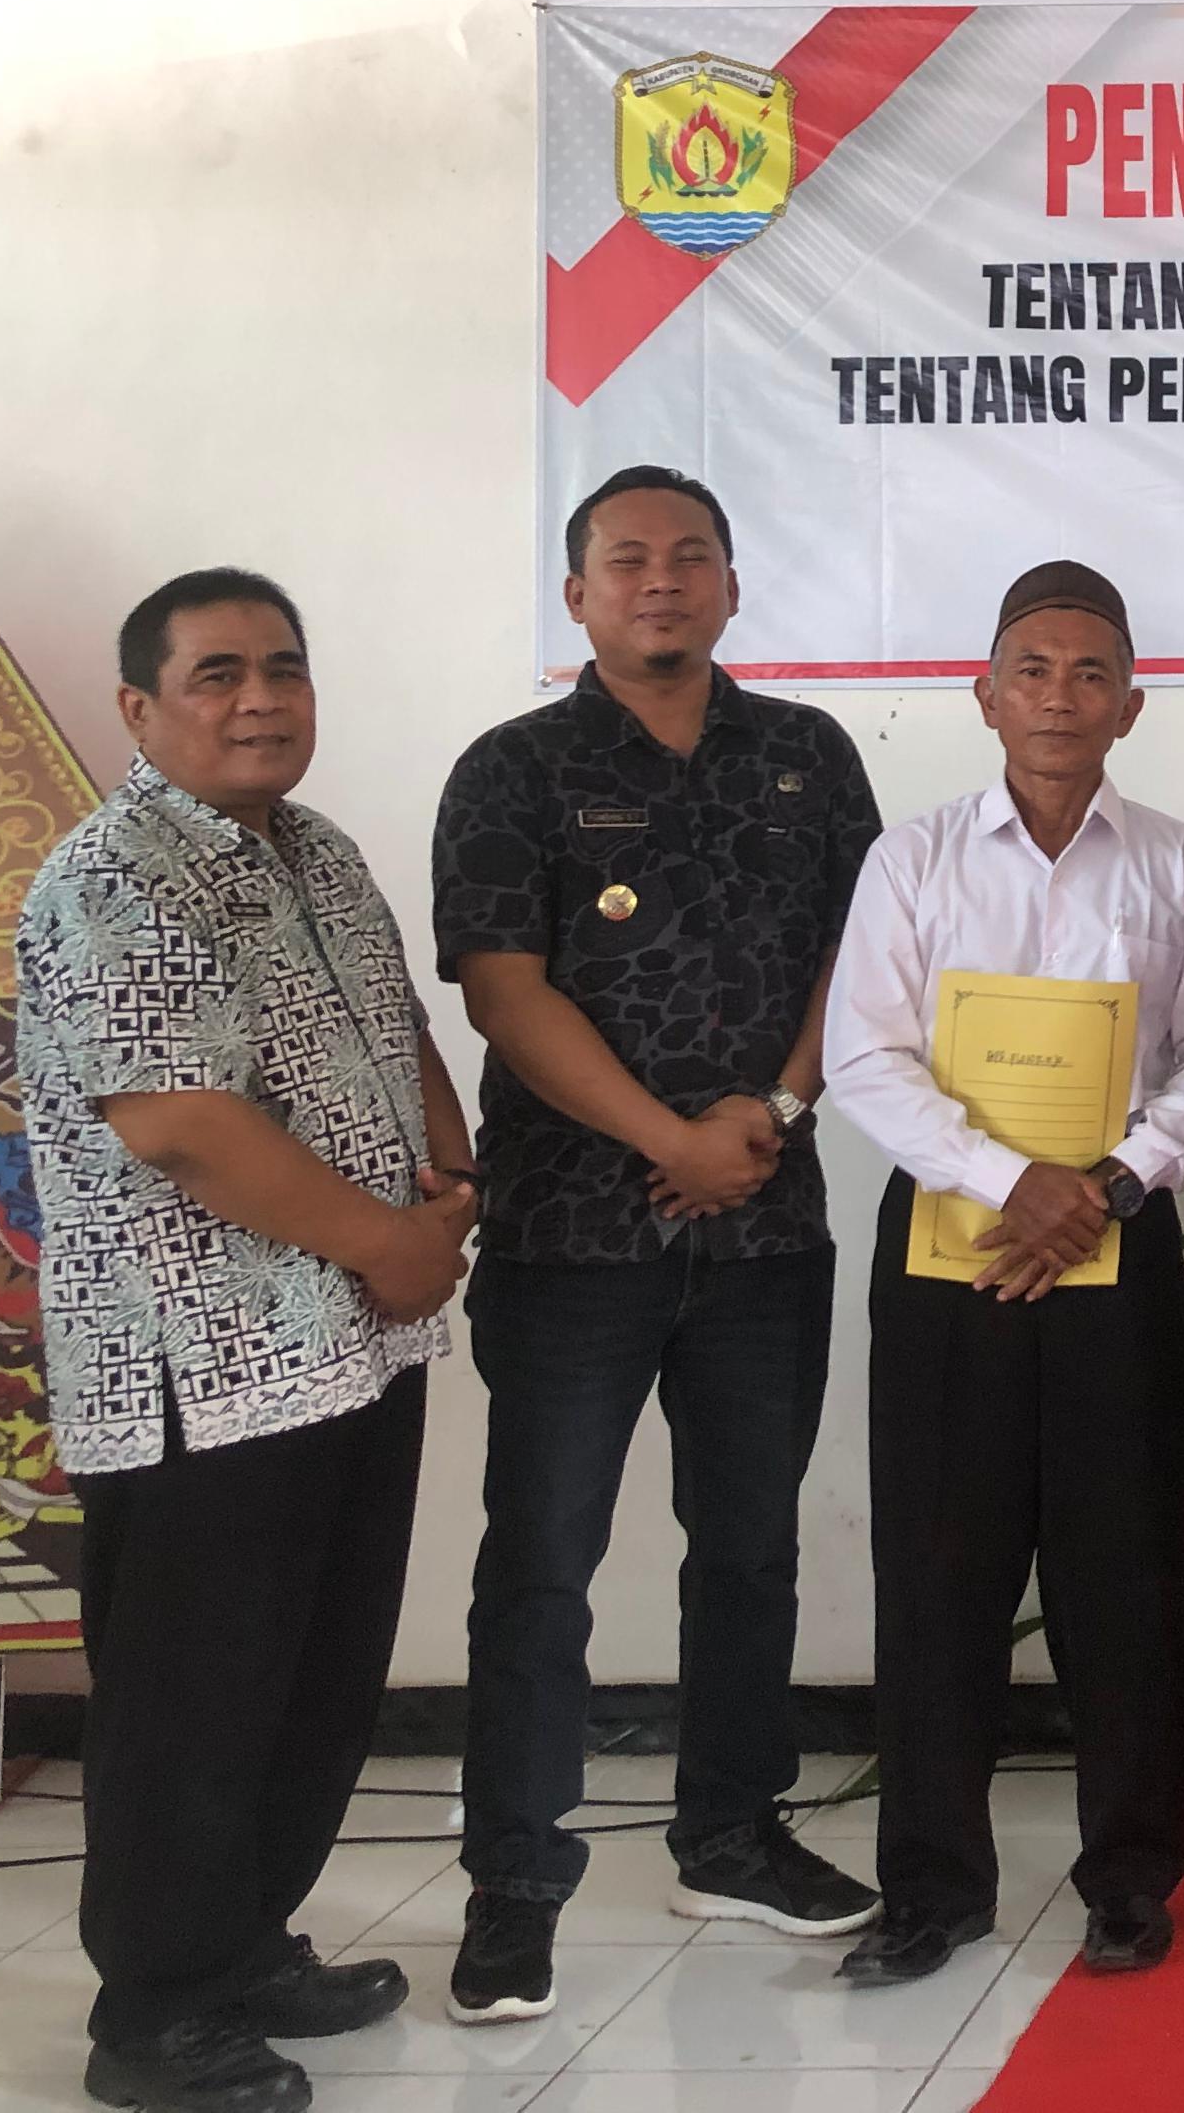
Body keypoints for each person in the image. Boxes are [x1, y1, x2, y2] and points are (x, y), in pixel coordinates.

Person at [426, 468, 887, 2025]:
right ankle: (513, 1886)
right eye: (627, 560)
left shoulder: (808, 757)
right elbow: (506, 993)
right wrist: (666, 1139)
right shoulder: (513, 770)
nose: (661, 581)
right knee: (541, 1565)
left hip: (768, 1229)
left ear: (734, 586)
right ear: (579, 596)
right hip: (572, 1238)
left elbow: (862, 956)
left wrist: (772, 1109)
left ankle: (732, 1838)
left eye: (692, 556)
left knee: (749, 1550)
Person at [13, 569, 476, 2113]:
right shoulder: (114, 873)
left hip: (352, 1346)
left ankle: (242, 1947)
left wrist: (450, 1178)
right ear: (139, 707)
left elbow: (394, 1027)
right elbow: (183, 1124)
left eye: (283, 666)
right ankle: (155, 2014)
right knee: (193, 1700)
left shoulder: (319, 849)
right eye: (217, 673)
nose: (260, 697)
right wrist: (393, 1244)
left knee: (313, 1678)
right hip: (201, 1364)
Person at [820, 563, 1184, 1986]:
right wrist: (1014, 1182)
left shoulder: (1181, 865)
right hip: (952, 1249)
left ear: (1132, 705)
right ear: (985, 694)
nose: (1061, 697)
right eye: (1034, 670)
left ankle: (1130, 1880)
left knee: (1126, 1570)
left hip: (1119, 1241)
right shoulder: (914, 860)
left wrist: (1112, 1181)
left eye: (1091, 673)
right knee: (939, 1567)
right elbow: (865, 1055)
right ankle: (932, 1889)